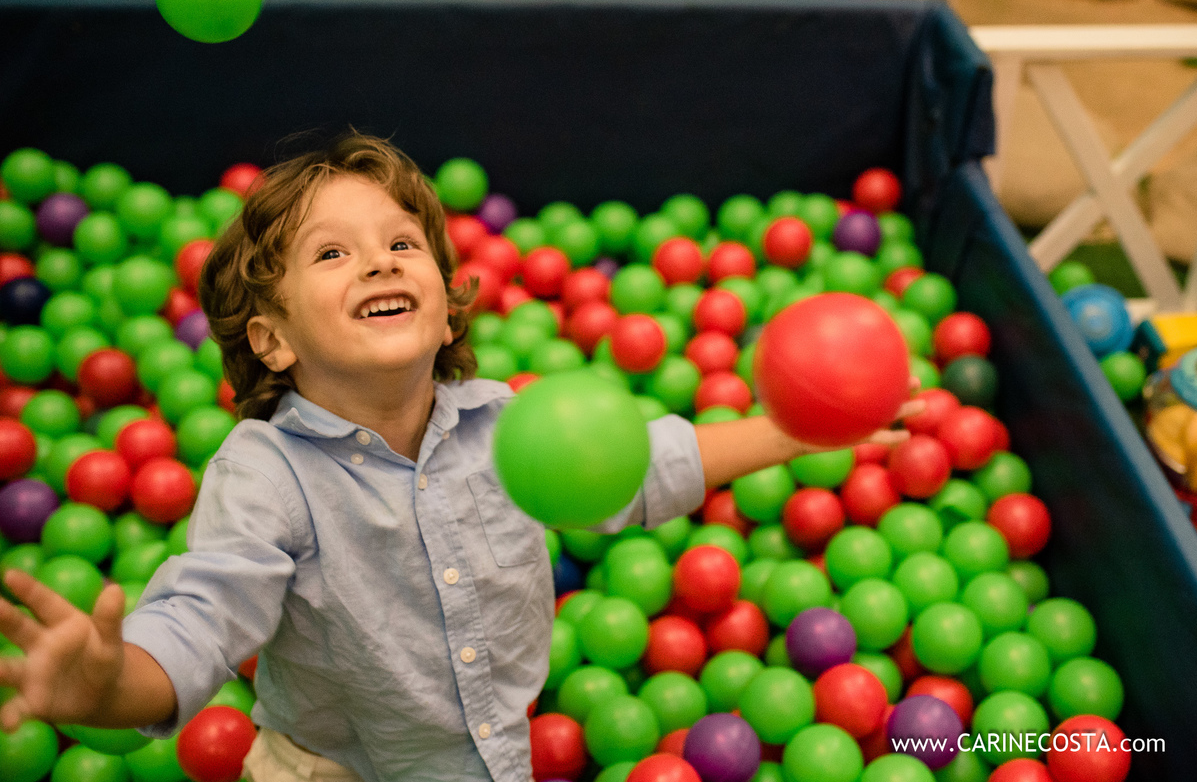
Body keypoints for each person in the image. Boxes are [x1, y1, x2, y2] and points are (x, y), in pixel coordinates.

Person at [0, 132, 917, 782]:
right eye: (333, 253)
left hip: (492, 754)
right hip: (330, 771)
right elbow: (203, 612)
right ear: (271, 339)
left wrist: (794, 431)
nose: (379, 262)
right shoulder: (264, 473)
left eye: (403, 244)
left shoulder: (508, 425)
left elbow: (639, 467)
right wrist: (111, 681)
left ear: (445, 304)